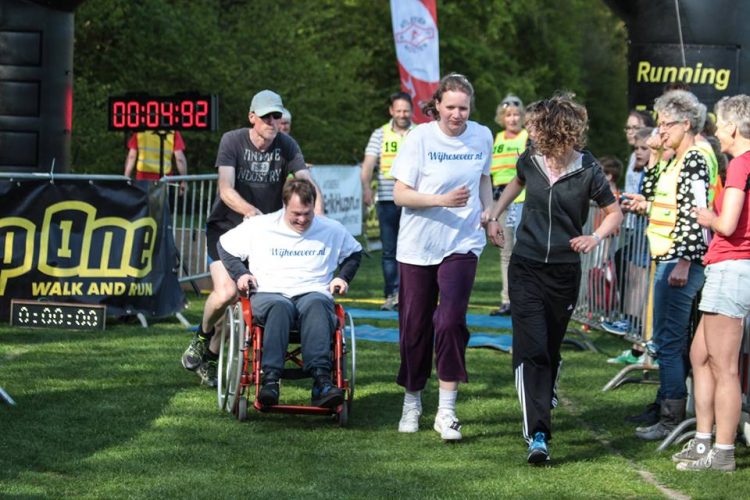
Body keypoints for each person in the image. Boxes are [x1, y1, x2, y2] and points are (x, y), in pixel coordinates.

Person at [487, 92, 622, 464]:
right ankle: (539, 434)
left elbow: (614, 212)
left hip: (564, 270)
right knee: (532, 349)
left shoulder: (588, 169)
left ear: (558, 132)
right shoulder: (530, 157)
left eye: (537, 129)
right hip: (526, 264)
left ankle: (545, 391)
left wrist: (594, 237)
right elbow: (515, 182)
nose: (531, 134)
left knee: (549, 347)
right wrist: (494, 214)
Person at [181, 89, 324, 387]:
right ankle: (200, 338)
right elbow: (225, 189)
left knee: (242, 303)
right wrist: (250, 211)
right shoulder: (232, 141)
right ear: (252, 118)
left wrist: (318, 220)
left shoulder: (286, 145)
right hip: (226, 228)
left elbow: (307, 184)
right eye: (266, 116)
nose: (273, 121)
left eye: (277, 115)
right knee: (226, 293)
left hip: (262, 237)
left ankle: (210, 357)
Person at [391, 73, 493, 441]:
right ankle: (412, 400)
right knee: (415, 326)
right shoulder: (419, 138)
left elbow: (484, 180)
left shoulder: (482, 135)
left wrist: (491, 214)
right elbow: (401, 194)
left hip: (462, 243)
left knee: (450, 321)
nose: (457, 114)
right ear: (436, 105)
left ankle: (446, 411)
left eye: (463, 108)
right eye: (450, 107)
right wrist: (440, 200)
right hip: (418, 246)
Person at [217, 178, 362, 408]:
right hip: (269, 291)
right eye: (296, 214)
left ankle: (322, 381)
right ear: (284, 205)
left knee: (317, 303)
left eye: (307, 213)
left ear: (314, 206)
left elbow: (355, 252)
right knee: (280, 306)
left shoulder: (331, 229)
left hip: (312, 291)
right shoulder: (260, 226)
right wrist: (241, 274)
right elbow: (224, 245)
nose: (302, 220)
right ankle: (270, 380)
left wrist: (342, 277)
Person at [621, 89, 711, 440]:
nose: (659, 132)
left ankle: (672, 417)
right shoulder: (676, 157)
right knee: (667, 338)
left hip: (679, 260)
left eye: (665, 125)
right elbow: (655, 187)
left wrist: (685, 261)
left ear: (685, 124)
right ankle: (668, 408)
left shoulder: (695, 159)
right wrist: (658, 153)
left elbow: (696, 216)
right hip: (668, 255)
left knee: (669, 340)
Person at [673, 95, 750, 472]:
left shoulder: (740, 165)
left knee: (724, 367)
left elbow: (729, 224)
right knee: (699, 355)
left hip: (732, 269)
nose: (716, 131)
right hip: (729, 268)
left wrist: (707, 216)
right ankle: (703, 440)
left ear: (734, 128)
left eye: (719, 123)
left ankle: (722, 452)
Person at [360, 91, 415, 311]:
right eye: (398, 110)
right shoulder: (379, 134)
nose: (402, 114)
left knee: (412, 249)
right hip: (386, 199)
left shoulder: (420, 132)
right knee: (390, 250)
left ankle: (410, 294)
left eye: (406, 110)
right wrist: (366, 188)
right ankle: (392, 294)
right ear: (391, 111)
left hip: (413, 200)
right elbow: (368, 165)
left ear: (411, 111)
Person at [488, 94, 529, 317]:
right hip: (499, 200)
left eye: (516, 115)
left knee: (521, 251)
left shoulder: (526, 137)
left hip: (521, 200)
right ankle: (507, 300)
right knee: (505, 252)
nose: (512, 119)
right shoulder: (497, 139)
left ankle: (522, 299)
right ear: (502, 118)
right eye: (508, 115)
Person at [123, 130, 188, 193]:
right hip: (165, 179)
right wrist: (184, 181)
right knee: (163, 203)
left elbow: (131, 157)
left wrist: (126, 179)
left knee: (144, 203)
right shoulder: (173, 132)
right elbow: (180, 159)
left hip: (142, 179)